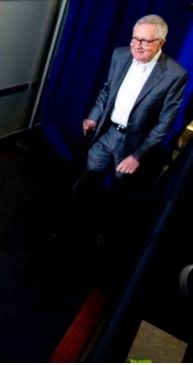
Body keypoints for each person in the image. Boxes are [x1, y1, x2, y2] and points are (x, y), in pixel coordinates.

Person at [71, 14, 188, 246]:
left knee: (119, 194)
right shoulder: (120, 54)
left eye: (145, 41)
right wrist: (93, 117)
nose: (137, 45)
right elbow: (107, 91)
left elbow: (164, 124)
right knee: (87, 179)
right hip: (107, 134)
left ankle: (105, 236)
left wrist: (137, 156)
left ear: (161, 43)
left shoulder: (175, 75)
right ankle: (70, 222)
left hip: (133, 145)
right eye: (135, 38)